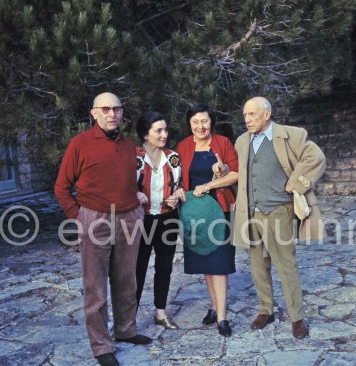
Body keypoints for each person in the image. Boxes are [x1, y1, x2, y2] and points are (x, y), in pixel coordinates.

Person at [54, 92, 152, 366]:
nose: (112, 114)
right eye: (106, 109)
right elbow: (61, 187)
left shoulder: (128, 145)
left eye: (117, 109)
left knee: (126, 281)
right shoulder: (80, 144)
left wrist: (137, 206)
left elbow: (133, 180)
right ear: (94, 113)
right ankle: (101, 346)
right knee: (95, 286)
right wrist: (79, 216)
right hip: (94, 220)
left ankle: (126, 330)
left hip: (129, 219)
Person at [232, 96, 326, 339]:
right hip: (251, 213)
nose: (247, 120)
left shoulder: (289, 135)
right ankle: (266, 309)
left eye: (252, 115)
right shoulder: (242, 141)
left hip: (278, 212)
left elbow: (315, 158)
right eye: (244, 115)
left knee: (286, 265)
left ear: (267, 114)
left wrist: (296, 183)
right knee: (257, 266)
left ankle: (297, 318)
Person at [175, 103, 238, 337]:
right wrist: (180, 190)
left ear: (211, 122)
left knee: (219, 264)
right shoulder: (182, 147)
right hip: (195, 213)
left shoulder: (223, 143)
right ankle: (213, 306)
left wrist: (211, 183)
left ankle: (222, 317)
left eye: (204, 121)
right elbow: (177, 178)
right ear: (190, 124)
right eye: (195, 122)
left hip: (219, 211)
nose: (200, 126)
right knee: (206, 262)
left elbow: (236, 174)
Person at [134, 111, 185, 330]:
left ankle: (160, 313)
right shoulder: (133, 158)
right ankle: (129, 319)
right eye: (159, 130)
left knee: (164, 267)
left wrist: (177, 195)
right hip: (140, 221)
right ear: (146, 134)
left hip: (167, 219)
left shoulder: (173, 157)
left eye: (165, 129)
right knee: (137, 270)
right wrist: (133, 194)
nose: (165, 134)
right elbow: (121, 186)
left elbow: (180, 184)